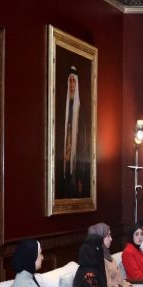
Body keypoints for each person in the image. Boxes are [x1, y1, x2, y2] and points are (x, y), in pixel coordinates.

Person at [57, 66, 91, 199]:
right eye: (70, 81)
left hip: (76, 158)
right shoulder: (63, 109)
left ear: (77, 84)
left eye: (74, 81)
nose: (71, 84)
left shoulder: (81, 111)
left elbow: (82, 139)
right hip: (64, 155)